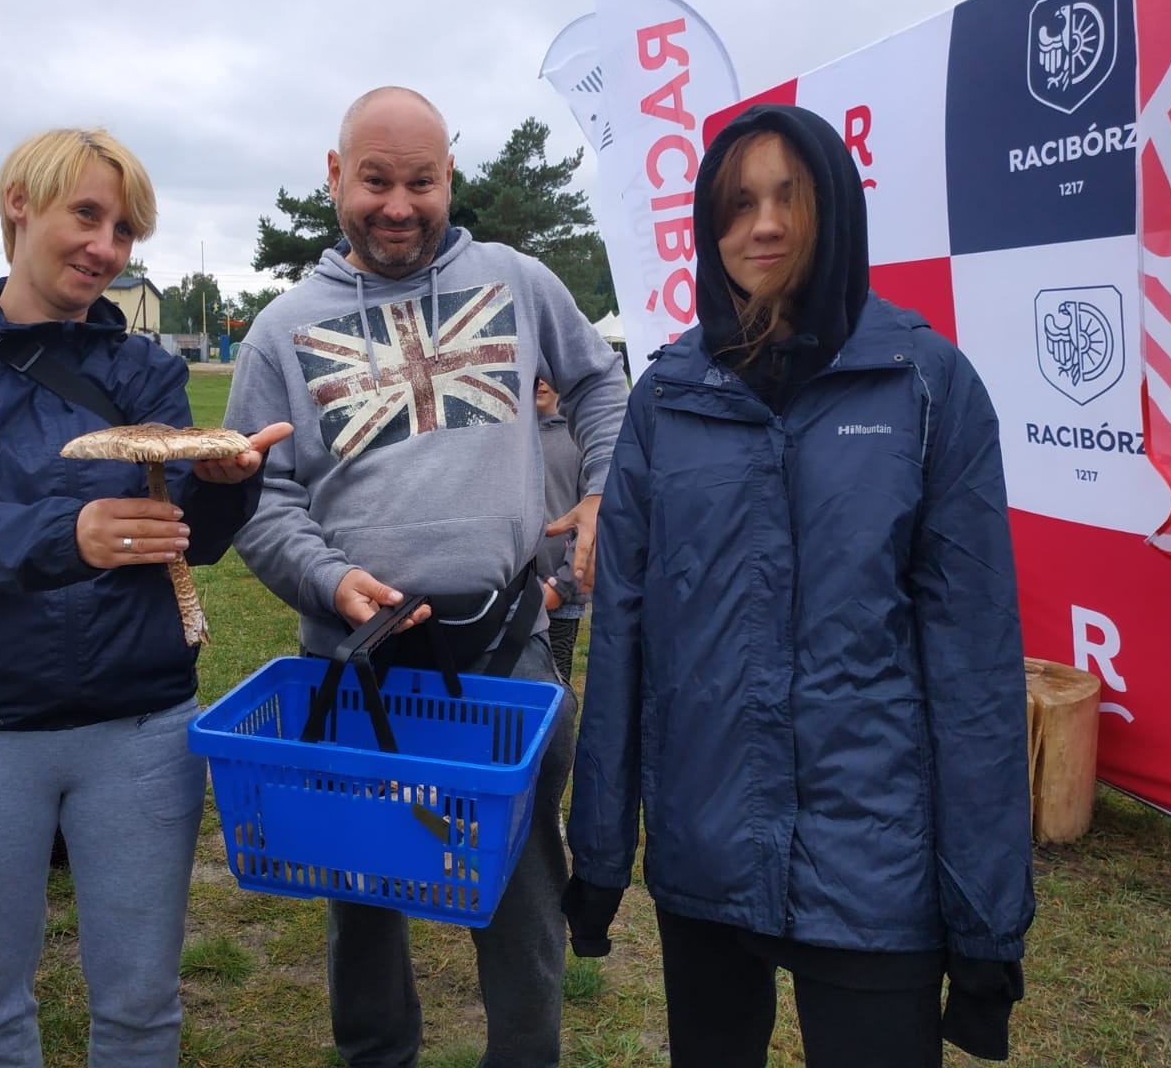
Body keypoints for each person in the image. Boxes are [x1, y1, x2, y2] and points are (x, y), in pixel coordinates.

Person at [563, 104, 1034, 1067]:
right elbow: (622, 637)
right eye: (737, 205)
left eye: (789, 197)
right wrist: (602, 855)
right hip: (706, 845)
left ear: (838, 209)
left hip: (873, 867)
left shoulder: (927, 385)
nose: (763, 226)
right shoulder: (668, 398)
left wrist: (986, 922)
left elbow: (976, 666)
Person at [224, 85, 630, 1068]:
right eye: (374, 181)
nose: (397, 204)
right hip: (356, 663)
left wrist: (606, 489)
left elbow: (597, 381)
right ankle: (377, 1056)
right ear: (335, 176)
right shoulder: (279, 330)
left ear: (449, 176)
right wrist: (326, 579)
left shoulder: (518, 282)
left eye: (420, 180)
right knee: (360, 892)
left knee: (520, 889)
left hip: (505, 654)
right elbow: (255, 496)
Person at [0, 127, 290, 1068]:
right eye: (87, 216)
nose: (107, 248)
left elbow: (191, 540)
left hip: (138, 726)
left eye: (126, 230)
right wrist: (69, 536)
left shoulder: (146, 372)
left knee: (141, 1008)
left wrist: (224, 483)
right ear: (20, 202)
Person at [532, 375, 590, 687]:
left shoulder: (578, 439)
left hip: (561, 595)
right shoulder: (510, 440)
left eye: (549, 376)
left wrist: (561, 586)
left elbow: (592, 517)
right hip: (510, 596)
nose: (541, 383)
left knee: (555, 687)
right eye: (535, 375)